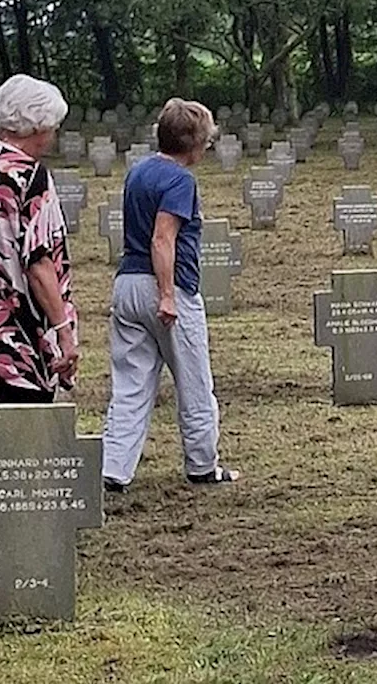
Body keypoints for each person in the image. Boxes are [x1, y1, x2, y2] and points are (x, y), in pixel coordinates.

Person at [101, 98, 240, 492]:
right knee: (194, 382)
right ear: (194, 144)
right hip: (165, 287)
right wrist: (167, 295)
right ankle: (202, 466)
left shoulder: (139, 170)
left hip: (126, 285)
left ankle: (114, 469)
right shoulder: (180, 180)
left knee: (130, 384)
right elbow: (163, 239)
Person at [0, 74, 79, 405]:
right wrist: (63, 330)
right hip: (19, 324)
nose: (54, 134)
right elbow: (39, 263)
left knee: (0, 413)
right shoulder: (31, 177)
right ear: (37, 125)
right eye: (53, 125)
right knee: (26, 436)